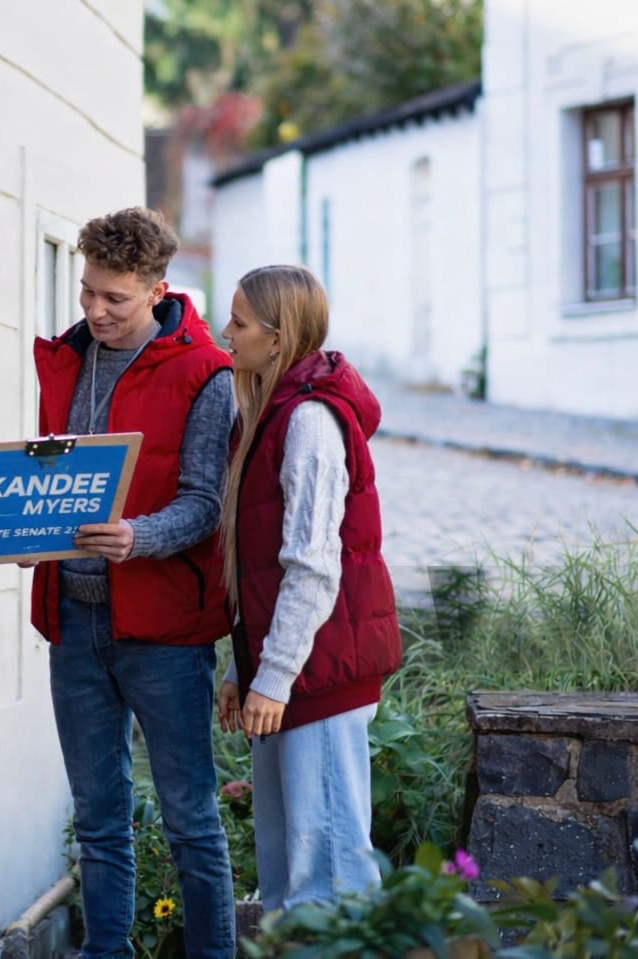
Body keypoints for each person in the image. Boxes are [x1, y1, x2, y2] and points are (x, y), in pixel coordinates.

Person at [30, 207, 237, 958]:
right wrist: (24, 533)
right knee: (97, 819)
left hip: (164, 631)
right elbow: (49, 480)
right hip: (74, 622)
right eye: (88, 291)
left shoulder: (204, 372)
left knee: (191, 819)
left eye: (113, 298)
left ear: (156, 289)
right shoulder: (67, 358)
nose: (95, 310)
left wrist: (135, 537)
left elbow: (205, 504)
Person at [216, 264, 401, 915]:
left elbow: (314, 566)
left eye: (238, 322)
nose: (225, 333)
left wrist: (271, 675)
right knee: (286, 877)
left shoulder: (309, 423)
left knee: (328, 883)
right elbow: (259, 566)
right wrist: (246, 668)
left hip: (317, 676)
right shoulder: (266, 414)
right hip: (291, 669)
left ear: (277, 337)